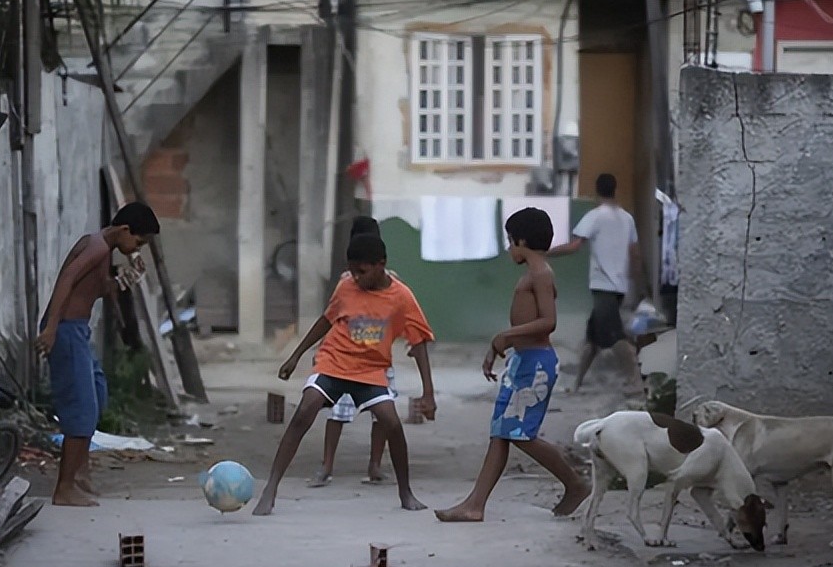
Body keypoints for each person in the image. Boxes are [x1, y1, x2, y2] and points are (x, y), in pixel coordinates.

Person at [253, 234, 437, 516]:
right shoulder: (346, 287)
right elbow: (326, 321)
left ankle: (406, 492)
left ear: (381, 265)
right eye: (352, 271)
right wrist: (296, 355)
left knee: (391, 422)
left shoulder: (401, 297)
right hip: (334, 362)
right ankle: (271, 488)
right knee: (306, 408)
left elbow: (419, 343)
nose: (356, 278)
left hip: (371, 370)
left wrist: (428, 393)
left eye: (362, 272)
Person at [436, 207, 590, 522]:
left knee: (519, 434)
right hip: (522, 362)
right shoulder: (532, 274)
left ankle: (575, 483)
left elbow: (549, 322)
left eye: (510, 241)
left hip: (536, 366)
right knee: (501, 433)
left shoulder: (541, 274)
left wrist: (505, 334)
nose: (509, 248)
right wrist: (499, 348)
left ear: (521, 240)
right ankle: (475, 504)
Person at [36, 202, 160, 507]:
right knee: (81, 409)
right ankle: (64, 487)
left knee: (96, 396)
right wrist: (51, 328)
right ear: (124, 230)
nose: (136, 249)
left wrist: (128, 278)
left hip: (77, 330)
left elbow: (98, 287)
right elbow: (65, 281)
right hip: (65, 328)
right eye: (138, 242)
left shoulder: (103, 247)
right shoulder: (97, 248)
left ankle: (79, 473)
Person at [311, 216, 396, 488]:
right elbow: (332, 317)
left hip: (374, 360)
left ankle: (359, 466)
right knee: (341, 413)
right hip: (345, 358)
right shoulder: (347, 282)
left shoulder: (391, 283)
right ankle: (337, 466)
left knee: (379, 413)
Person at [548, 173, 644, 394]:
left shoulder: (595, 216)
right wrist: (637, 285)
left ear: (597, 191)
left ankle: (635, 381)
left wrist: (545, 253)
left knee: (614, 336)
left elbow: (574, 246)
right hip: (619, 287)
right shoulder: (626, 218)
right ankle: (577, 383)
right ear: (615, 189)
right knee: (593, 337)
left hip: (603, 286)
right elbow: (635, 254)